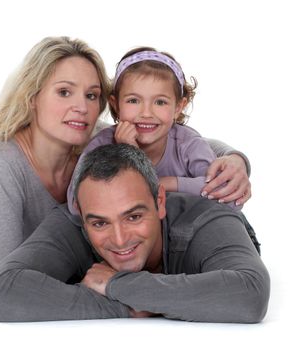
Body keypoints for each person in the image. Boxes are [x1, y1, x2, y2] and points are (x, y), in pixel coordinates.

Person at [0, 39, 254, 286]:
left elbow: (180, 140)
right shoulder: (0, 167)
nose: (81, 107)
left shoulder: (93, 139)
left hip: (49, 233)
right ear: (32, 96)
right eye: (64, 92)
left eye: (90, 95)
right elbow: (5, 278)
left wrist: (235, 160)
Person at [0, 144, 270, 322]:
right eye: (99, 224)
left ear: (159, 201)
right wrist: (125, 307)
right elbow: (1, 292)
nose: (120, 240)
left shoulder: (208, 216)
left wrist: (116, 285)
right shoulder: (71, 220)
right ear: (81, 215)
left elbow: (250, 295)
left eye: (133, 216)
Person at [67, 46, 260, 249]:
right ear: (115, 104)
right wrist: (126, 156)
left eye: (160, 102)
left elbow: (228, 197)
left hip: (201, 239)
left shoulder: (187, 143)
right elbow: (75, 204)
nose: (146, 113)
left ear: (178, 106)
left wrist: (166, 184)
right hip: (146, 247)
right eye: (133, 100)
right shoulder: (102, 144)